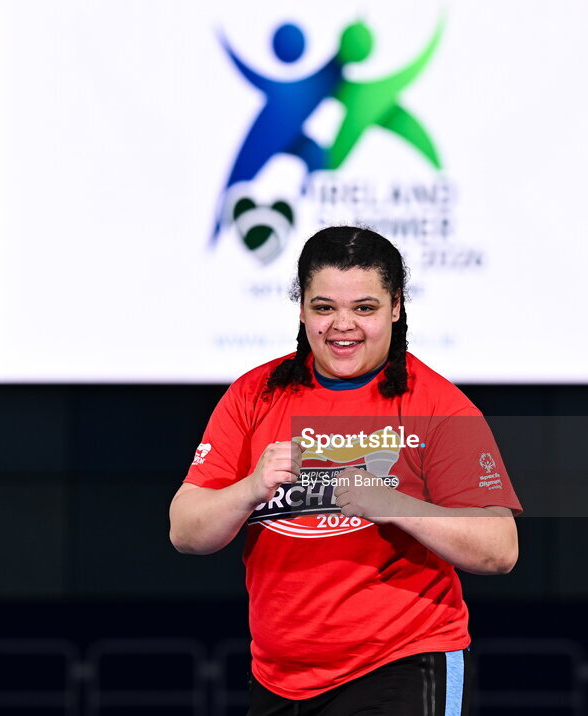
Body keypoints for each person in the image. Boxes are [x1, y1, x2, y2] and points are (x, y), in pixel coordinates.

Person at [170, 226, 521, 715]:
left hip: (400, 662)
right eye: (324, 307)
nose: (343, 326)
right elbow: (185, 532)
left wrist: (392, 504)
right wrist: (248, 489)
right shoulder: (253, 395)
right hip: (277, 678)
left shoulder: (440, 406)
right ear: (301, 308)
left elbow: (500, 550)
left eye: (364, 308)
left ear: (395, 307)